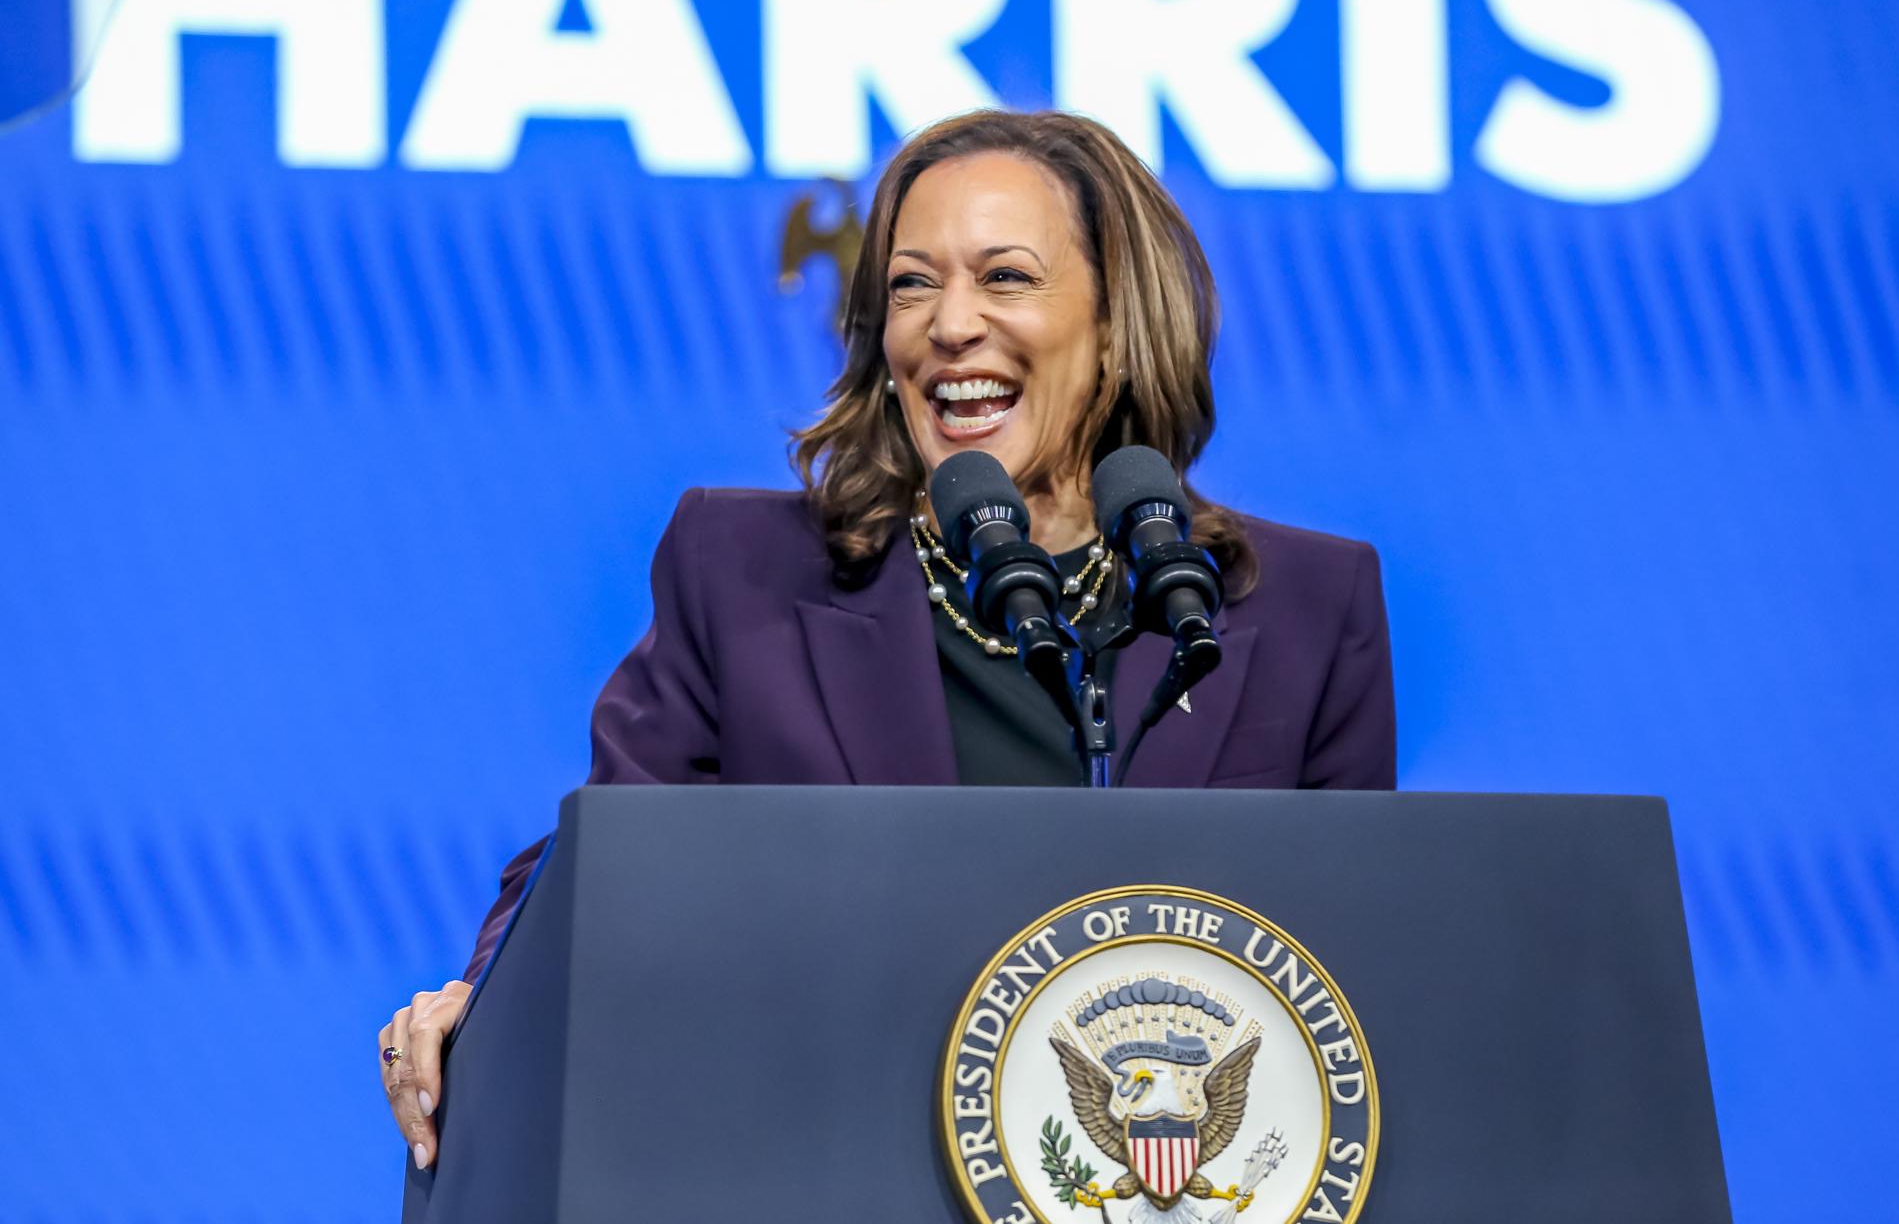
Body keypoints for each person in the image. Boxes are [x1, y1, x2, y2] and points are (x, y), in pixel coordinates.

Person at [376, 109, 1395, 1171]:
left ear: (1115, 327)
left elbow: (1366, 974)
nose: (949, 324)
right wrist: (478, 995)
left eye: (1005, 276)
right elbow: (605, 860)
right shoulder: (745, 574)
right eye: (912, 284)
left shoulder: (1300, 608)